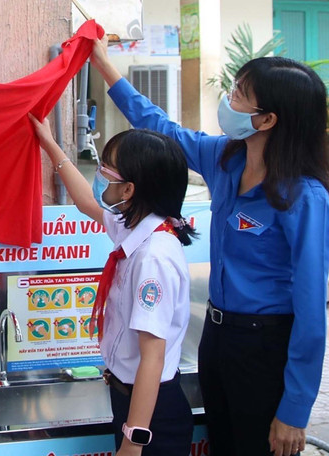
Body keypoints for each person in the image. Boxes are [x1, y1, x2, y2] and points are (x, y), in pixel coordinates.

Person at [91, 43, 329, 456]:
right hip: (217, 340)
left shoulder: (303, 198)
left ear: (267, 119)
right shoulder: (226, 159)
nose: (228, 99)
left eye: (239, 94)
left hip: (264, 346)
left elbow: (311, 312)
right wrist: (105, 67)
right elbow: (163, 129)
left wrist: (295, 408)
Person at [30, 114, 195, 455]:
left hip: (150, 415)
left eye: (107, 169)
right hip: (129, 400)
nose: (101, 173)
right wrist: (48, 143)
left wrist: (134, 442)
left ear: (129, 189)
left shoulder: (154, 259)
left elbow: (152, 356)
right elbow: (87, 203)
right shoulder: (135, 225)